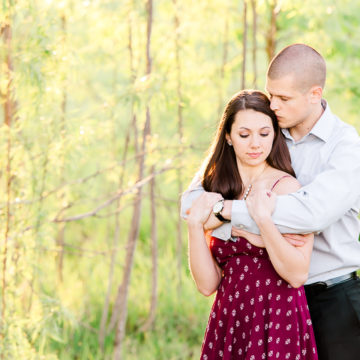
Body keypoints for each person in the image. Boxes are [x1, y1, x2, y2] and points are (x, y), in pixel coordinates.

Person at [182, 44, 360, 360]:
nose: (273, 104)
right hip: (270, 301)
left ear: (314, 93)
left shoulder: (345, 147)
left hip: (332, 299)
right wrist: (240, 229)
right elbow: (191, 204)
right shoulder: (266, 134)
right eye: (271, 94)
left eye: (283, 98)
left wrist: (227, 213)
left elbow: (310, 215)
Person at [187, 89, 318, 359]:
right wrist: (194, 226)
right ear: (229, 137)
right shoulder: (217, 189)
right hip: (231, 316)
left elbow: (297, 274)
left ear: (275, 134)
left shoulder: (286, 188)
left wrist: (262, 225)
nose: (255, 144)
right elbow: (207, 285)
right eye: (245, 135)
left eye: (264, 133)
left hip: (277, 316)